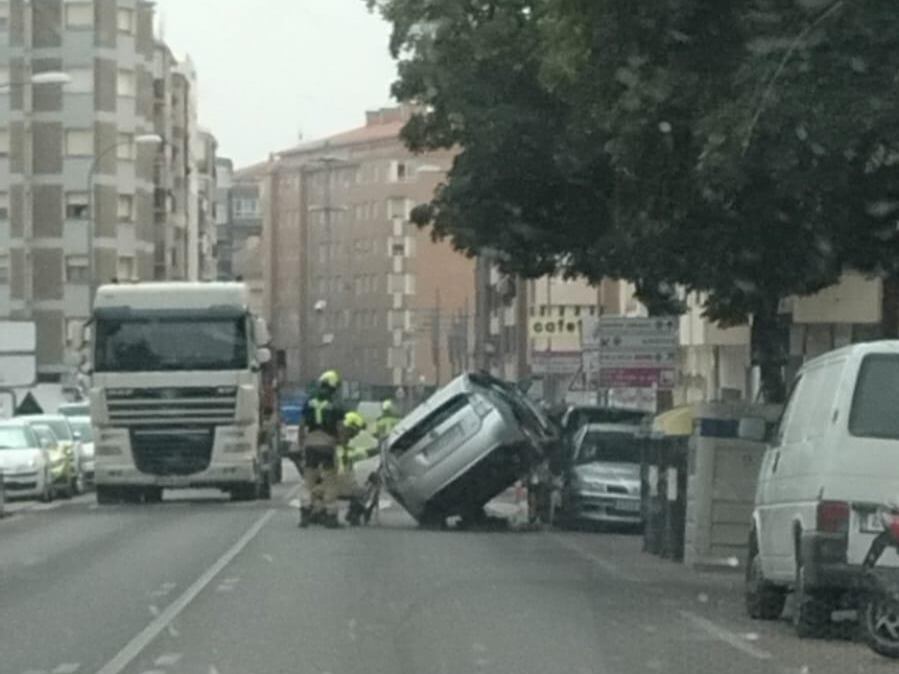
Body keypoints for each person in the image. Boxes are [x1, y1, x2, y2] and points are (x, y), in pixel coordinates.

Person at [299, 370, 344, 528]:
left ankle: (305, 510)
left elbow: (302, 425)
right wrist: (341, 443)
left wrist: (301, 443)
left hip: (311, 443)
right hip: (327, 444)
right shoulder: (335, 404)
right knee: (330, 480)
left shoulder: (309, 401)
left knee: (309, 480)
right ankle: (330, 515)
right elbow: (340, 427)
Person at [335, 411, 379, 526]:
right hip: (346, 489)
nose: (354, 436)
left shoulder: (330, 446)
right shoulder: (346, 451)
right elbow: (365, 453)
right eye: (354, 433)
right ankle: (354, 513)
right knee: (374, 481)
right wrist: (381, 448)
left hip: (326, 488)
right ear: (348, 429)